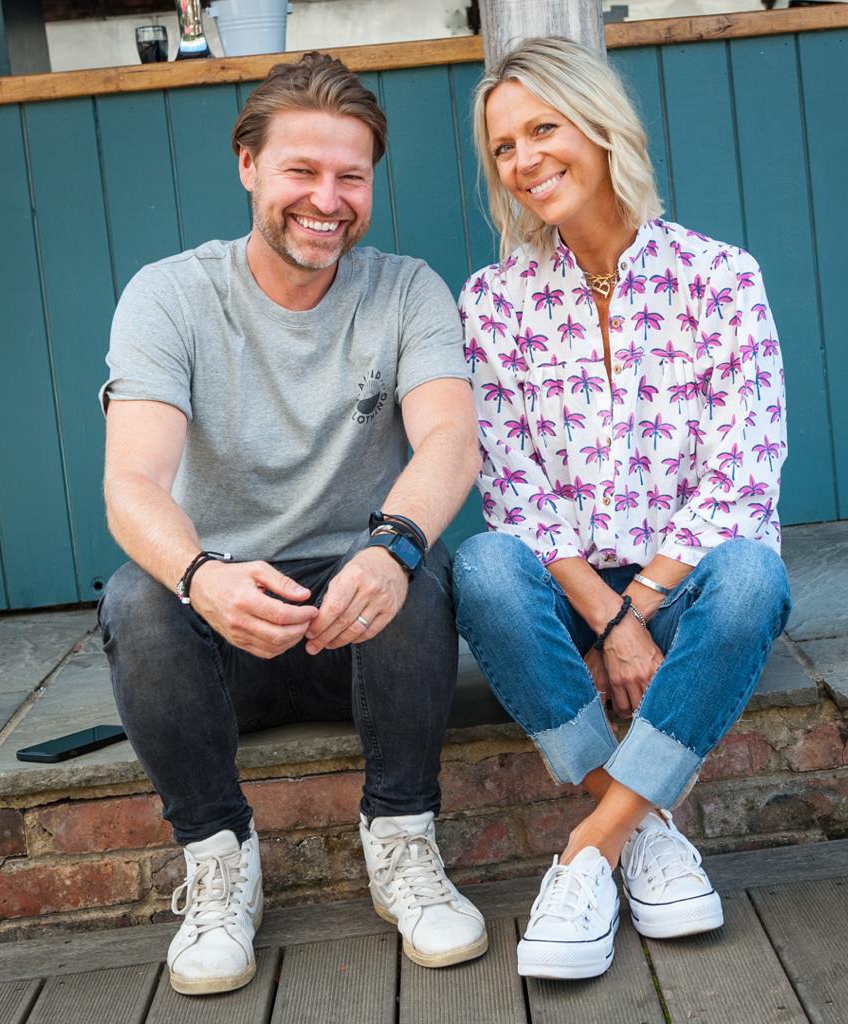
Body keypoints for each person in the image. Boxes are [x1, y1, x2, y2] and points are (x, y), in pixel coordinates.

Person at [98, 52, 486, 996]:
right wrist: (202, 576)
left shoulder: (407, 290)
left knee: (423, 564)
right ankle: (219, 861)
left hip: (362, 626)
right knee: (139, 598)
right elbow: (132, 483)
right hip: (229, 622)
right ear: (247, 166)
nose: (327, 199)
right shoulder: (170, 295)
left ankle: (403, 841)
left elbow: (450, 441)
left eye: (351, 176)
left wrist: (392, 547)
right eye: (301, 171)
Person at [453, 37, 792, 981]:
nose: (524, 161)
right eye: (504, 147)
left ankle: (592, 845)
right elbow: (513, 489)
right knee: (481, 569)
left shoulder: (721, 278)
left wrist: (634, 614)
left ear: (601, 128)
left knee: (752, 578)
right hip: (565, 592)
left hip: (684, 589)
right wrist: (603, 619)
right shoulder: (493, 303)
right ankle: (642, 830)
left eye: (543, 130)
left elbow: (742, 476)